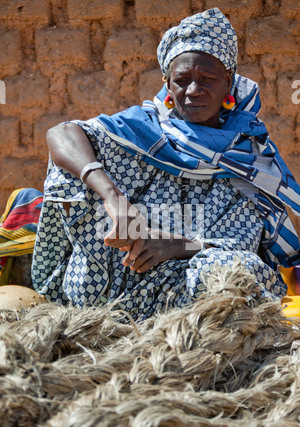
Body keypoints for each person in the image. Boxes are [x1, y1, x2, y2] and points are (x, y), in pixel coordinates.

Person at [31, 8, 300, 321]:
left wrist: (174, 245)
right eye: (182, 80)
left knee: (241, 271)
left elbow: (239, 245)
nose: (194, 90)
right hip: (120, 282)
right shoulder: (142, 130)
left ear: (228, 82)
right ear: (168, 86)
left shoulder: (245, 155)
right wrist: (115, 199)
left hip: (190, 290)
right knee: (80, 167)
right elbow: (61, 133)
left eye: (207, 79)